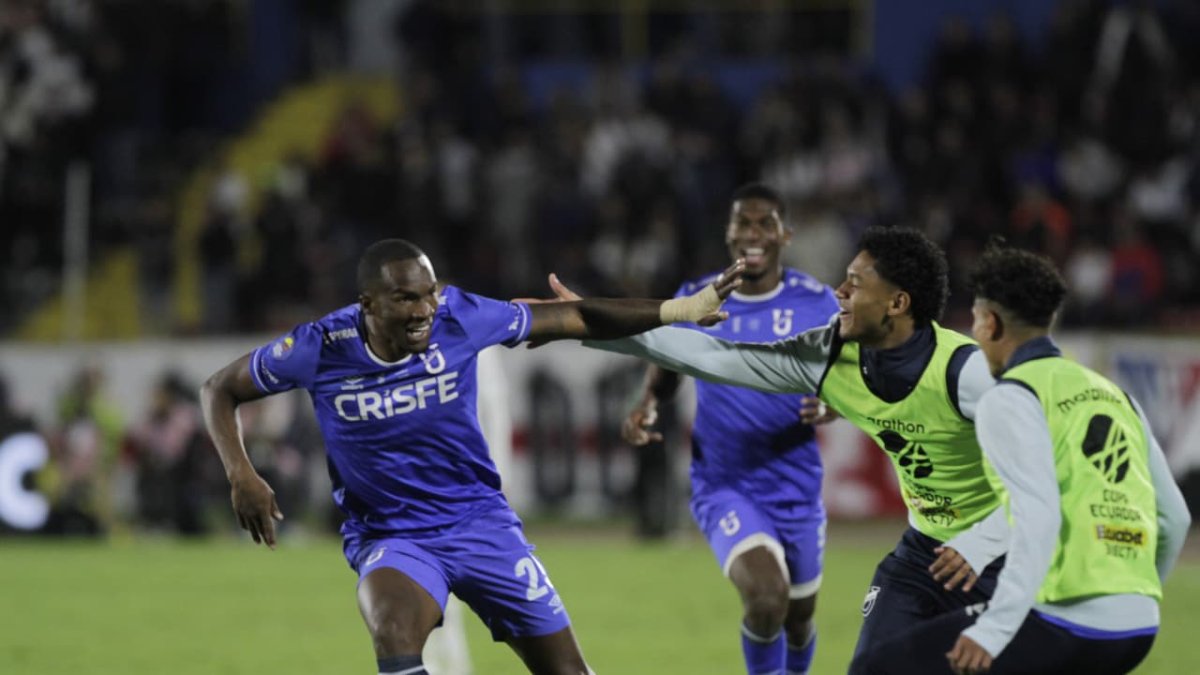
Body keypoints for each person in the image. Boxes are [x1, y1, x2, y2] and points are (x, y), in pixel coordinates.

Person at [199, 238, 744, 675]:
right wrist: (240, 472)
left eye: (429, 294)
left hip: (480, 523)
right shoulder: (320, 347)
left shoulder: (460, 316)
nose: (424, 311)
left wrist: (683, 309)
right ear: (367, 304)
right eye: (406, 299)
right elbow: (219, 389)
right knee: (392, 626)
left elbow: (576, 319)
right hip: (393, 536)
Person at [560, 227, 1012, 670]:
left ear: (897, 303)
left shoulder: (968, 374)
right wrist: (581, 320)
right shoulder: (827, 358)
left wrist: (981, 542)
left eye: (854, 284)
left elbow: (1054, 475)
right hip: (924, 557)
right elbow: (704, 355)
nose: (838, 292)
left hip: (1005, 555)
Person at [855, 246, 1191, 674]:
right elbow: (1174, 517)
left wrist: (993, 630)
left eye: (975, 320)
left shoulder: (1010, 398)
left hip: (1066, 618)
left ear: (990, 323)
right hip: (1137, 625)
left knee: (876, 668)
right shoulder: (1115, 394)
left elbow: (1038, 518)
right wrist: (1136, 600)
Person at [617, 183, 837, 675]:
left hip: (796, 483)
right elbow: (667, 363)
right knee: (765, 598)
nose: (753, 233)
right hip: (725, 484)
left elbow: (851, 374)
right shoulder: (699, 299)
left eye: (765, 224)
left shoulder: (818, 302)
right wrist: (648, 401)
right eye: (744, 223)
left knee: (799, 619)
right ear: (729, 233)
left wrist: (833, 408)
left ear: (785, 234)